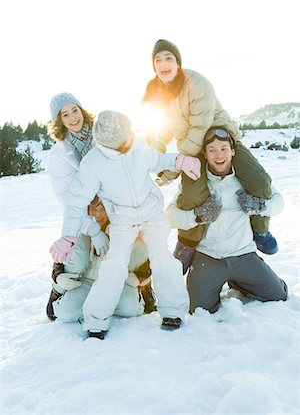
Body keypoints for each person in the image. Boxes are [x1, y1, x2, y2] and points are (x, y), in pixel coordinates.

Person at [50, 110, 200, 339]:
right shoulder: (94, 163)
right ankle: (96, 321)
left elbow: (156, 159)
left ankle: (173, 311)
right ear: (112, 145)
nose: (130, 140)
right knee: (114, 265)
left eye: (130, 134)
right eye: (125, 140)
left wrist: (179, 160)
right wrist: (68, 236)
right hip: (122, 220)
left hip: (151, 214)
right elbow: (76, 201)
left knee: (162, 258)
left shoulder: (137, 143)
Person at [143, 39, 278, 266]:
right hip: (191, 146)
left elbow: (200, 126)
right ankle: (187, 243)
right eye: (158, 59)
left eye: (169, 58)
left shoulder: (196, 83)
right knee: (191, 196)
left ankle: (259, 230)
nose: (163, 63)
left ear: (178, 63)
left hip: (219, 137)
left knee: (259, 181)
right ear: (153, 66)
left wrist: (176, 167)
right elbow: (161, 130)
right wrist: (156, 155)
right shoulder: (155, 93)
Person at [46, 93, 156, 322]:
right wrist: (93, 229)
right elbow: (67, 198)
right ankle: (60, 287)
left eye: (74, 110)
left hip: (115, 206)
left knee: (134, 243)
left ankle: (142, 286)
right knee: (78, 250)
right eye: (65, 114)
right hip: (86, 214)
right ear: (59, 121)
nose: (72, 117)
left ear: (82, 110)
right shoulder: (59, 154)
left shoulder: (102, 135)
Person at [165, 126, 288, 313]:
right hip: (208, 257)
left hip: (243, 254)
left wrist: (259, 206)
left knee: (278, 294)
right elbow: (170, 217)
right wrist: (198, 216)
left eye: (223, 149)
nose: (218, 155)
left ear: (232, 151)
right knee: (199, 309)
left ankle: (239, 280)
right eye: (212, 150)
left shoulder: (246, 181)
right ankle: (220, 280)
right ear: (205, 154)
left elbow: (279, 203)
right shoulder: (197, 183)